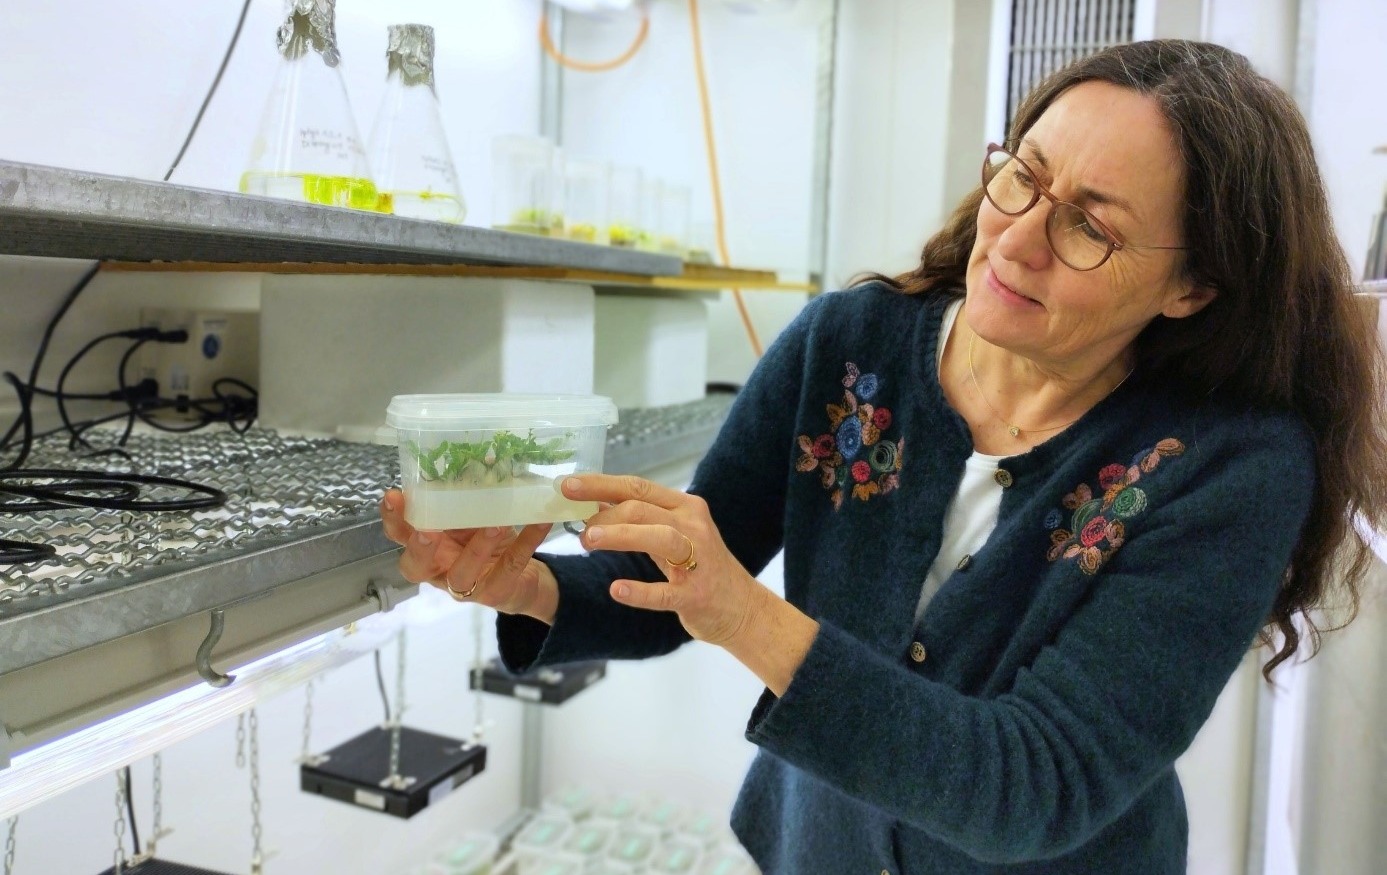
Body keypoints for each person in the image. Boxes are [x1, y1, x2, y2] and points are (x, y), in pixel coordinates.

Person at [381, 39, 1387, 873]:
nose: (1016, 239)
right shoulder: (849, 343)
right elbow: (668, 586)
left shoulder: (1230, 466)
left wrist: (747, 612)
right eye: (1022, 178)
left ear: (1193, 288)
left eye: (1088, 226)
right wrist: (527, 584)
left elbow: (1031, 784)